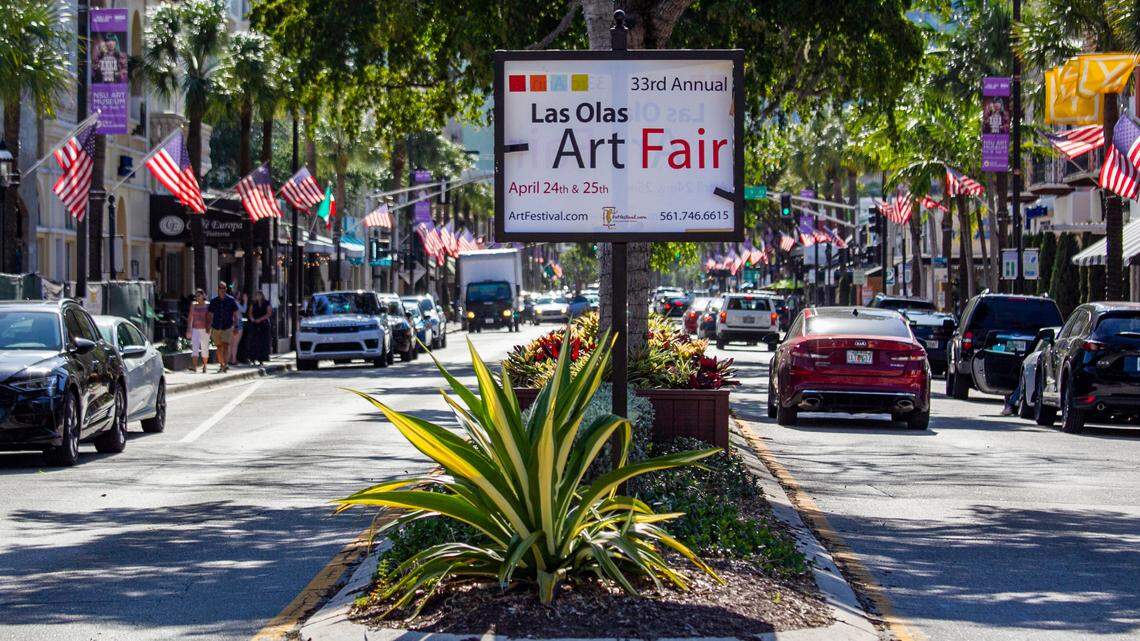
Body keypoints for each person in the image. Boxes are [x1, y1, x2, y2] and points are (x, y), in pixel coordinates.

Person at [206, 282, 240, 373]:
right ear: (218, 289)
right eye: (220, 288)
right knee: (219, 347)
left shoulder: (231, 300)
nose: (222, 290)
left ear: (226, 289)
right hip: (216, 326)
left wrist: (236, 326)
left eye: (224, 288)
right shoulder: (214, 301)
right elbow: (209, 314)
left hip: (227, 326)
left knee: (226, 346)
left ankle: (225, 364)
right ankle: (221, 364)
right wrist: (208, 325)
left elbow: (236, 314)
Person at [186, 289, 210, 373]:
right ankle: (195, 366)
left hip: (205, 329)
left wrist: (209, 327)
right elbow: (190, 317)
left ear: (203, 296)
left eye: (199, 295)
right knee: (195, 347)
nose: (197, 297)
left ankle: (205, 366)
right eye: (196, 296)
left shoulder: (207, 305)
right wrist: (189, 328)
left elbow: (210, 317)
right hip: (195, 328)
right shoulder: (193, 305)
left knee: (204, 347)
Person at [247, 291, 273, 365]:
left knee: (263, 342)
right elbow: (250, 313)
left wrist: (260, 319)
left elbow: (269, 313)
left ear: (262, 296)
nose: (257, 297)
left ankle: (262, 359)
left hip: (263, 324)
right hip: (255, 324)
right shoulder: (254, 303)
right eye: (256, 295)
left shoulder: (266, 303)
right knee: (254, 342)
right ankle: (252, 358)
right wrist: (252, 319)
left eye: (259, 295)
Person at [229, 291, 247, 366]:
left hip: (230, 323)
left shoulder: (229, 303)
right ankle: (233, 359)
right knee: (235, 343)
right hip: (237, 322)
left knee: (231, 343)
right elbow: (243, 310)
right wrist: (245, 301)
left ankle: (230, 359)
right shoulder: (236, 303)